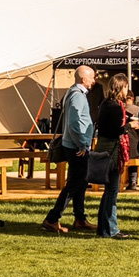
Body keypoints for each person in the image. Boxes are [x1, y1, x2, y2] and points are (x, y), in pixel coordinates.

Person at [43, 66, 98, 234]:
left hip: (74, 145)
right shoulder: (78, 96)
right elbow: (74, 123)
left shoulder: (73, 93)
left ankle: (80, 218)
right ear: (84, 79)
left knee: (80, 183)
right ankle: (52, 218)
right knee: (74, 184)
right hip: (76, 147)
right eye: (92, 78)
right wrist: (82, 143)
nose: (93, 81)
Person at [92, 72, 136, 239]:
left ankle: (104, 228)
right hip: (112, 150)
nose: (127, 91)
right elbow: (115, 131)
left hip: (104, 148)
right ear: (121, 88)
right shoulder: (116, 106)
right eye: (125, 87)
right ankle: (111, 229)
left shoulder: (105, 104)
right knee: (112, 191)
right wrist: (130, 126)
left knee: (108, 190)